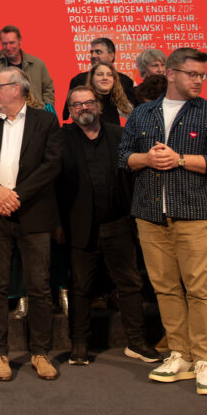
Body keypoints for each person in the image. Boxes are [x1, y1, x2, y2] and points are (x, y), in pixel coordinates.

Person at [118, 47, 207, 396]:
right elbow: (123, 157)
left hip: (195, 212)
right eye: (192, 74)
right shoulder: (142, 114)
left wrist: (180, 159)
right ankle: (180, 354)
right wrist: (146, 158)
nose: (199, 80)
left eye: (202, 75)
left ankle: (203, 359)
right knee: (166, 288)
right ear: (170, 74)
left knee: (199, 289)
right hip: (150, 214)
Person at [0, 67, 62, 382]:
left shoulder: (45, 121)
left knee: (39, 286)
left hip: (33, 214)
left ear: (17, 89)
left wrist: (15, 196)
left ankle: (40, 353)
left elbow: (52, 165)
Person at [58, 86, 161, 367]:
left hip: (118, 222)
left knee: (130, 284)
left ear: (98, 106)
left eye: (88, 102)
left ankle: (137, 342)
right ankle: (79, 344)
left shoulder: (119, 134)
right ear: (70, 111)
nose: (84, 108)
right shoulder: (61, 138)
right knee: (80, 287)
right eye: (77, 105)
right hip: (79, 225)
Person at [0, 25, 55, 107]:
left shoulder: (38, 64)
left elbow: (48, 88)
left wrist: (46, 107)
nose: (8, 47)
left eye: (12, 43)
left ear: (20, 41)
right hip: (2, 111)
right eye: (4, 43)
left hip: (33, 111)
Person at [64, 38, 137, 119]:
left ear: (111, 56)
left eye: (98, 52)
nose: (93, 56)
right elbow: (67, 115)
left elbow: (131, 114)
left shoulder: (126, 81)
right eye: (92, 52)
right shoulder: (79, 80)